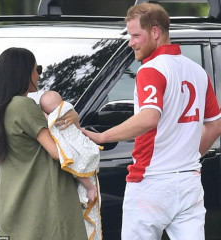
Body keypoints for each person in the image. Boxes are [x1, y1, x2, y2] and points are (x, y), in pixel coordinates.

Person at [82, 3, 221, 240]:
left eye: (136, 35)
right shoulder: (197, 71)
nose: (131, 42)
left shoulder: (151, 70)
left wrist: (102, 136)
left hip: (151, 182)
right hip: (189, 181)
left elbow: (149, 117)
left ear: (155, 32)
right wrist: (187, 155)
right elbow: (215, 125)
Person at [0, 47, 88, 240]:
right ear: (23, 73)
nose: (39, 74)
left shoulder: (0, 108)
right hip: (43, 209)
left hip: (16, 208)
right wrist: (73, 122)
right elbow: (59, 152)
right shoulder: (23, 106)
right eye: (37, 69)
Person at [40, 90, 102, 240]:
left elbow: (67, 133)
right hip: (79, 152)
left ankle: (89, 187)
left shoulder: (64, 113)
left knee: (78, 165)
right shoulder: (65, 111)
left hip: (79, 150)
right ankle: (89, 187)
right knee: (78, 166)